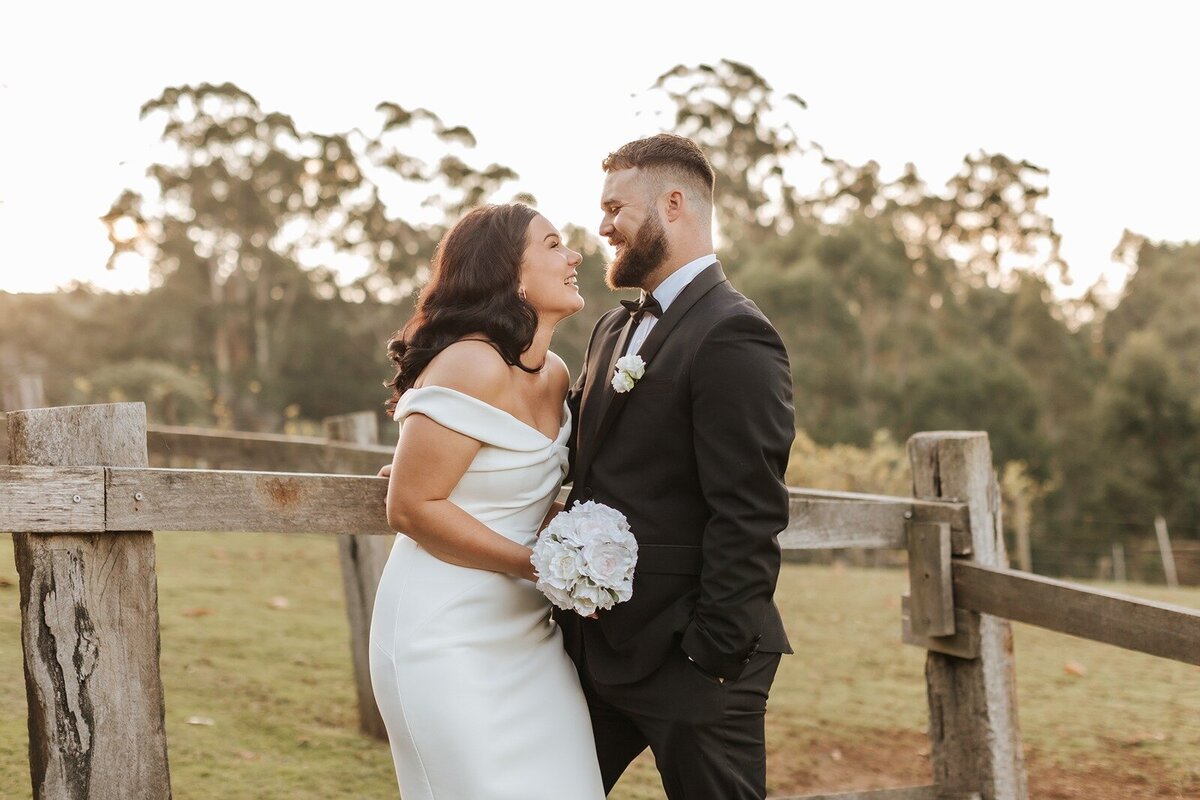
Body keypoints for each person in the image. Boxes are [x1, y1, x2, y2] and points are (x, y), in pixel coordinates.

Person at [560, 133, 796, 800]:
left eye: (616, 209)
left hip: (692, 663)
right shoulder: (611, 330)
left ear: (673, 203)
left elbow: (748, 511)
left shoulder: (735, 334)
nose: (603, 227)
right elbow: (567, 445)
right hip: (599, 651)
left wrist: (710, 652)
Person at [368, 203, 605, 800]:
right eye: (555, 245)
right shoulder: (468, 362)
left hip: (528, 637)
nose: (574, 256)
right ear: (510, 273)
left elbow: (515, 487)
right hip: (443, 635)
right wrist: (536, 565)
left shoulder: (554, 375)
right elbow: (412, 507)